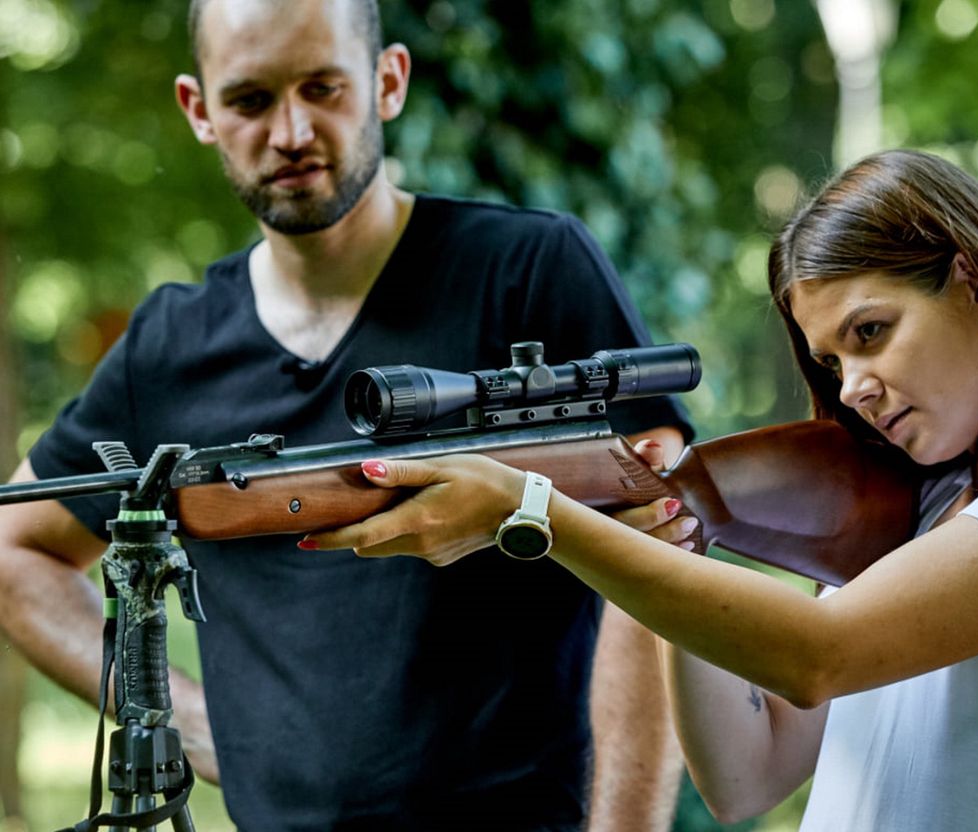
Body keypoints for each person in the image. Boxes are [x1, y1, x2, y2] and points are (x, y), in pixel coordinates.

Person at [302, 149, 978, 831]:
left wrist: (532, 510)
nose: (852, 386)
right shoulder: (913, 503)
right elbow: (748, 776)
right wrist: (676, 535)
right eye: (830, 360)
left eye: (872, 332)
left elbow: (817, 653)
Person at [0, 0, 693, 828]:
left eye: (323, 88)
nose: (291, 132)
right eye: (251, 100)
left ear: (387, 81)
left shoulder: (530, 268)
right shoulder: (167, 344)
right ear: (199, 110)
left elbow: (661, 554)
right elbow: (17, 558)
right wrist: (196, 726)